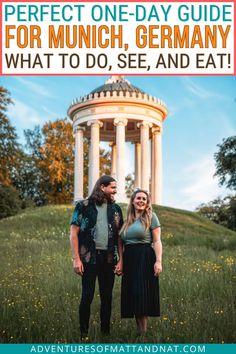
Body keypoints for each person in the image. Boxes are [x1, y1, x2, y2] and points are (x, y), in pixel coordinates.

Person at [70, 175, 123, 341]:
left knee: (107, 297)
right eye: (113, 187)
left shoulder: (116, 209)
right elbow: (73, 233)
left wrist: (121, 260)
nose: (115, 190)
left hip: (109, 259)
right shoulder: (83, 206)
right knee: (87, 296)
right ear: (102, 187)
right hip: (88, 258)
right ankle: (83, 334)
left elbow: (119, 237)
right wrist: (76, 259)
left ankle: (105, 333)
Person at [120, 188, 162, 335]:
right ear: (132, 201)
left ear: (147, 202)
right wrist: (120, 262)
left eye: (144, 199)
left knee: (142, 295)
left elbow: (157, 241)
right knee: (133, 295)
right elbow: (121, 243)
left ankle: (143, 334)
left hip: (145, 258)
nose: (141, 201)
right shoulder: (126, 221)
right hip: (129, 259)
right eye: (138, 198)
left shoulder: (151, 216)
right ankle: (139, 332)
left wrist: (158, 261)